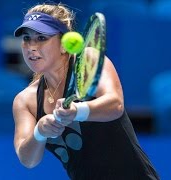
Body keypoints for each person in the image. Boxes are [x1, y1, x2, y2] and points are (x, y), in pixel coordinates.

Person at [12, 3, 159, 180]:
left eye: (42, 38)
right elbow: (27, 159)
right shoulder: (25, 101)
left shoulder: (88, 61)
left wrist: (77, 112)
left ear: (64, 44)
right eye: (26, 38)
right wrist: (40, 131)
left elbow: (116, 104)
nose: (31, 46)